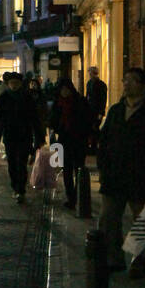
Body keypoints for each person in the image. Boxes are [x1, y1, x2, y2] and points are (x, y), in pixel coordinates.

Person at [97, 67, 145, 277]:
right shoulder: (116, 111)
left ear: (144, 87)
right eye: (124, 80)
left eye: (131, 80)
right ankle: (114, 259)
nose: (126, 84)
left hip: (141, 176)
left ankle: (138, 260)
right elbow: (104, 141)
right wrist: (103, 167)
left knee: (142, 221)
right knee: (109, 218)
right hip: (115, 175)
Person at [49, 80, 92, 209]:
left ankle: (80, 195)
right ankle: (71, 197)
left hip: (79, 139)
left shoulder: (80, 101)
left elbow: (87, 119)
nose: (65, 92)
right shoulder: (58, 103)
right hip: (64, 139)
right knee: (66, 169)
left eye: (67, 89)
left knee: (79, 168)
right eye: (62, 89)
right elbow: (52, 120)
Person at [0, 73, 34, 202]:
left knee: (21, 163)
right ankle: (15, 186)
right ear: (8, 84)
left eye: (16, 83)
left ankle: (20, 189)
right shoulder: (4, 98)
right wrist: (2, 123)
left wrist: (38, 136)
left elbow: (35, 117)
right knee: (12, 163)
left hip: (24, 135)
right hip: (10, 135)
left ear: (20, 84)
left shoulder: (27, 98)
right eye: (12, 83)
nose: (14, 85)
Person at [85, 66, 108, 156]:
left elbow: (103, 99)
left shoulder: (101, 84)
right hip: (90, 110)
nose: (89, 74)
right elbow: (87, 96)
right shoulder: (89, 83)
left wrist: (101, 112)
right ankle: (92, 146)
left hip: (97, 110)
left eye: (90, 72)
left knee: (95, 128)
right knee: (91, 128)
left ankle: (95, 146)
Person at [27, 78, 48, 164]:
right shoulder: (27, 94)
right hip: (29, 119)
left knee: (38, 138)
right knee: (29, 138)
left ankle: (35, 155)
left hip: (39, 119)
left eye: (34, 84)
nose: (33, 85)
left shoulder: (41, 94)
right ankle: (33, 153)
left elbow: (44, 106)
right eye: (31, 84)